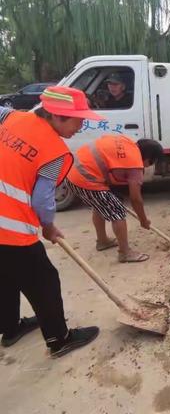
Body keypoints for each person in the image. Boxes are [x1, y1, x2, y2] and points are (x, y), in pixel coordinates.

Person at [0, 86, 103, 357]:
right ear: (57, 115)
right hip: (9, 229)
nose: (81, 127)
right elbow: (43, 200)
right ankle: (59, 339)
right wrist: (48, 226)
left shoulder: (10, 117)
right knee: (44, 280)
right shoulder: (55, 152)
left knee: (5, 276)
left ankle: (9, 329)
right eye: (78, 120)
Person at [66, 134, 163, 263]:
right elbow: (135, 198)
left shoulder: (125, 141)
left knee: (99, 205)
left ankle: (103, 241)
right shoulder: (135, 164)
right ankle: (125, 253)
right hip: (85, 178)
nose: (147, 166)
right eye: (151, 162)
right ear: (149, 158)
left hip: (71, 172)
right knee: (117, 211)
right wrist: (143, 220)